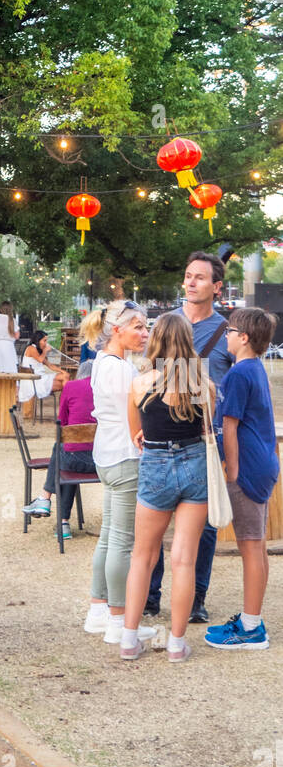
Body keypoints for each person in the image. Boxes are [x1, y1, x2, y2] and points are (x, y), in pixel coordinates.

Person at [120, 312, 214, 662]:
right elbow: (207, 432)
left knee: (142, 556)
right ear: (188, 341)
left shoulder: (141, 383)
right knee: (184, 559)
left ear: (156, 340)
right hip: (195, 467)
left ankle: (129, 639)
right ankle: (176, 644)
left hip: (156, 464)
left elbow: (137, 435)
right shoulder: (203, 385)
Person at [145, 251, 234, 624]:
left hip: (206, 443)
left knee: (206, 528)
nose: (191, 282)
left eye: (200, 277)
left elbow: (236, 392)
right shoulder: (165, 324)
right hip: (163, 442)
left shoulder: (228, 333)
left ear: (216, 287)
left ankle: (196, 598)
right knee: (155, 522)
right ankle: (151, 596)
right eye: (187, 276)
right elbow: (149, 380)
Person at [205, 307, 279, 650]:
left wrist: (230, 471)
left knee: (249, 545)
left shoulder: (237, 374)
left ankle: (250, 629)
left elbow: (229, 426)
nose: (226, 336)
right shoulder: (254, 369)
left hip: (247, 469)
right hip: (262, 464)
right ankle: (253, 620)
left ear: (244, 337)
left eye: (230, 331)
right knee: (257, 545)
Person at [83, 299, 156, 645]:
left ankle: (99, 610)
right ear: (117, 330)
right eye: (138, 327)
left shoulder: (102, 362)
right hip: (125, 456)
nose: (145, 333)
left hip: (106, 453)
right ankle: (117, 618)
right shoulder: (124, 370)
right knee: (122, 541)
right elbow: (138, 419)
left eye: (146, 326)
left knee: (110, 536)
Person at [23, 373, 97, 540]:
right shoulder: (111, 387)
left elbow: (61, 423)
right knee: (63, 456)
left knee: (61, 449)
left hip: (75, 460)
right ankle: (58, 518)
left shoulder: (71, 386)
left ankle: (47, 501)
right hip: (106, 461)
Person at [21, 331, 68, 404]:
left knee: (65, 376)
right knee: (65, 384)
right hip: (35, 381)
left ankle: (65, 403)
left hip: (41, 378)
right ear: (38, 340)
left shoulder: (39, 351)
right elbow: (40, 360)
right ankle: (65, 404)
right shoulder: (31, 348)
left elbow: (49, 365)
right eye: (44, 340)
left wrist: (62, 371)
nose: (46, 343)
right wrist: (45, 351)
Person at [0, 302, 18, 374]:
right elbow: (17, 336)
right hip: (8, 346)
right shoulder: (12, 320)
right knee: (10, 370)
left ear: (0, 309)